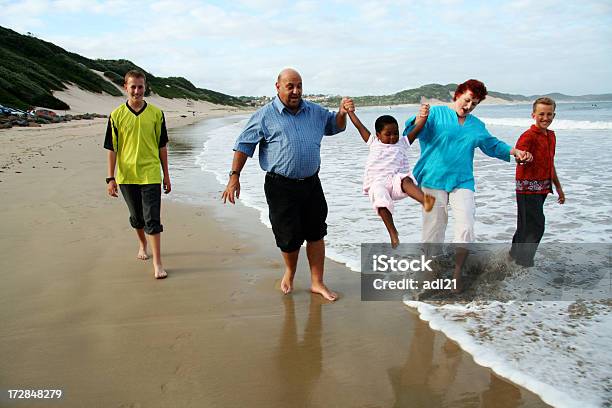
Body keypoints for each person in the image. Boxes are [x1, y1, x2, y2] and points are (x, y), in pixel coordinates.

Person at [221, 68, 351, 301]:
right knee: (289, 238)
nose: (296, 91)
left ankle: (317, 282)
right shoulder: (264, 115)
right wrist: (234, 177)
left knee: (316, 232)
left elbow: (335, 126)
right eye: (290, 86)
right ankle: (290, 272)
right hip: (280, 186)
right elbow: (244, 145)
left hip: (312, 183)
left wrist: (342, 112)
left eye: (299, 85)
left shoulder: (315, 111)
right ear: (278, 86)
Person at [403, 79, 532, 292]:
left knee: (466, 227)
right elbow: (410, 134)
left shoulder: (476, 125)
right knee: (434, 228)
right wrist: (419, 119)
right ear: (457, 94)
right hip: (431, 179)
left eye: (474, 103)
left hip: (462, 181)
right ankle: (430, 271)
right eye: (467, 100)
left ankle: (456, 274)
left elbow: (491, 145)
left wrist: (514, 151)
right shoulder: (435, 114)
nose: (469, 106)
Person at [104, 70, 171, 279]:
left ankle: (158, 263)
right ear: (126, 87)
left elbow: (162, 147)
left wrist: (166, 176)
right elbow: (112, 148)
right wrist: (110, 178)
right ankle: (142, 244)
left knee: (153, 218)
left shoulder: (157, 114)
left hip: (150, 173)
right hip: (126, 176)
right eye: (133, 86)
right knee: (137, 217)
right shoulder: (116, 116)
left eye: (140, 86)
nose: (137, 91)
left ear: (145, 87)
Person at [346, 106, 435, 248]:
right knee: (380, 200)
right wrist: (350, 111)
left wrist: (424, 116)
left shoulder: (402, 143)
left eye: (396, 133)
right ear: (378, 134)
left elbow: (416, 129)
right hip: (377, 182)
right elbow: (359, 126)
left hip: (395, 181)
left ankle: (426, 201)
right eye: (388, 134)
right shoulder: (373, 142)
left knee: (406, 179)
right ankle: (393, 234)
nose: (393, 137)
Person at [509, 97, 564, 267]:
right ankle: (525, 262)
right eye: (541, 114)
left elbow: (550, 163)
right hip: (527, 188)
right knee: (536, 226)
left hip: (542, 188)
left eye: (549, 114)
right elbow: (520, 156)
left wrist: (559, 189)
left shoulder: (551, 136)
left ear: (554, 115)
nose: (545, 118)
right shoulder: (528, 136)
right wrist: (523, 158)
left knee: (525, 226)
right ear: (533, 115)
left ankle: (513, 257)